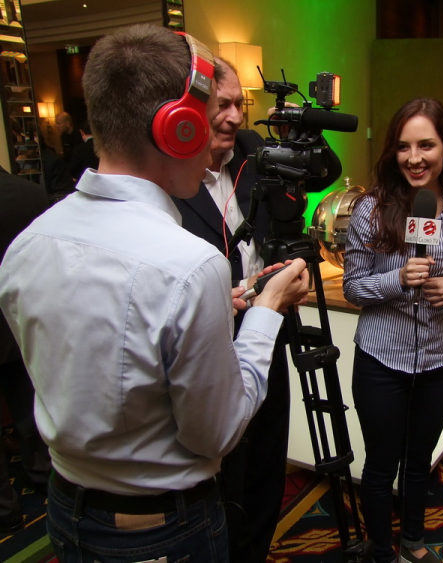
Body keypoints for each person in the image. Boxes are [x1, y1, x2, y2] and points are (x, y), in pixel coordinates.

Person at [0, 24, 309, 562]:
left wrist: (214, 306)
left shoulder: (29, 243)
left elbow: (98, 352)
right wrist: (265, 310)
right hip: (160, 531)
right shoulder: (189, 266)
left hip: (65, 511)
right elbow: (219, 432)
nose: (219, 132)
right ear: (179, 129)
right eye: (207, 116)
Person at [172, 57, 339, 563]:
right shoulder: (168, 181)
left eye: (238, 104)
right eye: (220, 105)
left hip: (272, 328)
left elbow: (325, 171)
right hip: (207, 346)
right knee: (226, 470)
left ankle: (258, 549)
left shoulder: (253, 152)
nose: (234, 117)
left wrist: (305, 126)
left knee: (267, 459)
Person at [343, 98, 443, 563]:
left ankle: (414, 543)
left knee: (420, 462)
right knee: (381, 467)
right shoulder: (370, 208)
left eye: (426, 145)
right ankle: (382, 552)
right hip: (382, 360)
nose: (414, 158)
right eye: (403, 147)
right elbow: (354, 288)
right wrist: (397, 279)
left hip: (440, 359)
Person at [0, 166, 51, 535]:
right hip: (20, 322)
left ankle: (5, 508)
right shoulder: (29, 194)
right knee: (29, 409)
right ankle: (42, 474)